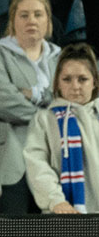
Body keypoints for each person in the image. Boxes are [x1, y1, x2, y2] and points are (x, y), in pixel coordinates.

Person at [0, 0, 62, 214]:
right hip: (8, 164)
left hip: (54, 164)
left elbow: (74, 100)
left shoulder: (63, 58)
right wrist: (50, 114)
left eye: (38, 14)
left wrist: (31, 94)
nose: (31, 20)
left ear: (48, 20)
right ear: (13, 21)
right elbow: (1, 103)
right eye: (23, 15)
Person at [24, 43, 99, 213]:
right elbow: (37, 165)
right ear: (57, 83)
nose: (75, 86)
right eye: (67, 79)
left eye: (83, 79)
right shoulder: (44, 119)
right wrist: (56, 200)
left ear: (94, 82)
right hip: (61, 214)